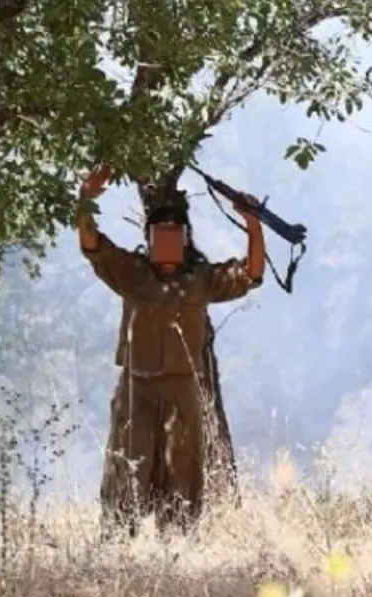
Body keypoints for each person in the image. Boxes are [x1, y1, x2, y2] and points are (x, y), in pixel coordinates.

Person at [74, 165, 265, 535]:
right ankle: (117, 545)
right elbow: (91, 244)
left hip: (183, 390)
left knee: (182, 474)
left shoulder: (200, 279)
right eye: (159, 234)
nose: (166, 241)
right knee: (127, 469)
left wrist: (253, 225)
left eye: (174, 234)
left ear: (185, 238)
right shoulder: (131, 272)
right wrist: (85, 199)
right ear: (148, 238)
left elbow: (251, 275)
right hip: (137, 388)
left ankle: (177, 548)